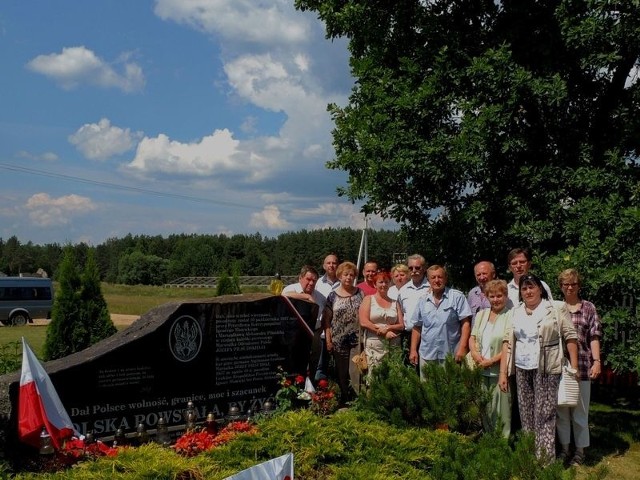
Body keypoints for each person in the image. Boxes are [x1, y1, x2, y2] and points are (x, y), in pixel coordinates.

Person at [498, 273, 578, 464]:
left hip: (547, 369)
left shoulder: (555, 308)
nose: (528, 291)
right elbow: (507, 342)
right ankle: (530, 456)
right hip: (522, 368)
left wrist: (574, 368)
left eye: (531, 287)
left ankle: (545, 461)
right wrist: (503, 372)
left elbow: (570, 336)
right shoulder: (515, 311)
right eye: (524, 288)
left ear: (540, 288)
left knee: (545, 415)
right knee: (526, 415)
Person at [556, 268, 602, 466]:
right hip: (557, 367)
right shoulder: (556, 308)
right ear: (561, 287)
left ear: (579, 286)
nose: (569, 287)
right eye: (565, 284)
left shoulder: (588, 308)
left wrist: (597, 361)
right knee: (561, 412)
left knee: (580, 412)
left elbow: (594, 336)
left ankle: (580, 452)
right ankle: (565, 449)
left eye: (573, 284)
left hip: (582, 366)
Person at [409, 265, 472, 377]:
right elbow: (417, 327)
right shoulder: (423, 300)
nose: (437, 280)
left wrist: (462, 347)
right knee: (428, 391)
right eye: (433, 277)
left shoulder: (457, 297)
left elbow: (465, 323)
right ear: (428, 280)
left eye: (440, 277)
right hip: (427, 354)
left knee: (450, 390)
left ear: (445, 278)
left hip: (450, 354)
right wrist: (413, 350)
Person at [468, 279, 513, 437]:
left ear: (506, 296)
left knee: (502, 409)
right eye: (492, 296)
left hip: (498, 370)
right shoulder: (481, 314)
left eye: (499, 296)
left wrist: (491, 361)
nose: (496, 300)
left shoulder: (510, 315)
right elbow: (472, 337)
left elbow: (509, 345)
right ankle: (488, 438)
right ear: (487, 297)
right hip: (480, 368)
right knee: (485, 406)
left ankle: (502, 442)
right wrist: (474, 353)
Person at [323, 261, 365, 405]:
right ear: (339, 276)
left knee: (355, 371)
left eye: (351, 275)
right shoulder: (332, 296)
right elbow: (326, 321)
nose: (348, 277)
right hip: (338, 341)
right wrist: (328, 341)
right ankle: (343, 399)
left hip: (356, 340)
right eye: (345, 274)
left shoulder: (360, 293)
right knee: (341, 372)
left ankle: (357, 400)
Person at [282, 265, 325, 380]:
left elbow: (325, 316)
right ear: (300, 278)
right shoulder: (291, 289)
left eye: (314, 280)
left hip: (314, 334)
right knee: (294, 365)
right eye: (308, 279)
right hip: (294, 336)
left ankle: (312, 389)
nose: (311, 283)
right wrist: (305, 296)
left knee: (313, 365)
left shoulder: (320, 297)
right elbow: (283, 296)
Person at [359, 271, 405, 377]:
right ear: (375, 284)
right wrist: (383, 333)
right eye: (380, 282)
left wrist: (388, 328)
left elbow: (401, 325)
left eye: (386, 282)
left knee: (394, 374)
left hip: (394, 345)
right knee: (375, 375)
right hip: (374, 345)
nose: (384, 285)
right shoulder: (368, 299)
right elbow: (364, 322)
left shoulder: (395, 302)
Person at [313, 254, 340, 381]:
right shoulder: (317, 283)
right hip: (322, 332)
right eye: (328, 263)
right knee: (321, 366)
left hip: (340, 331)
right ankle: (321, 394)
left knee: (340, 367)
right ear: (324, 266)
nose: (331, 265)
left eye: (334, 263)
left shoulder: (344, 282)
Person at [398, 254, 430, 332]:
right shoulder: (403, 290)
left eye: (417, 268)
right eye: (410, 268)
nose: (414, 270)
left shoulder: (432, 288)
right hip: (408, 335)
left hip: (428, 335)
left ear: (424, 268)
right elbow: (401, 313)